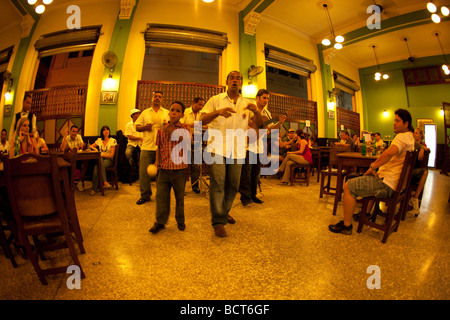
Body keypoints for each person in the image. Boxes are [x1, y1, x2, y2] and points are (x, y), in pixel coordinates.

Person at [329, 109, 415, 235]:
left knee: (348, 186)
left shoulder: (401, 137)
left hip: (387, 184)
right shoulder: (410, 137)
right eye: (394, 120)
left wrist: (373, 167)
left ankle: (346, 226)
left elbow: (388, 153)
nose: (394, 123)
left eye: (397, 121)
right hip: (392, 182)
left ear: (406, 124)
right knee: (358, 179)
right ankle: (363, 213)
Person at [200, 70, 262, 237]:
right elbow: (201, 120)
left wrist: (256, 111)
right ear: (227, 81)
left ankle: (224, 211)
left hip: (238, 149)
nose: (235, 80)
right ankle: (218, 222)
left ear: (241, 83)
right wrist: (217, 112)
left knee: (233, 185)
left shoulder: (246, 103)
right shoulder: (215, 100)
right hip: (217, 147)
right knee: (218, 183)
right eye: (232, 77)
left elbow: (260, 125)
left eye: (238, 78)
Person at [149, 101, 191, 234]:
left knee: (179, 198)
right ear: (169, 112)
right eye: (172, 110)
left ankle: (180, 220)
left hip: (179, 170)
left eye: (178, 111)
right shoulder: (161, 130)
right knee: (161, 197)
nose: (174, 112)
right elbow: (158, 147)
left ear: (182, 115)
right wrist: (157, 162)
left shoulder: (185, 129)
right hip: (164, 169)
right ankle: (160, 222)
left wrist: (168, 128)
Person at [239, 89, 286, 205]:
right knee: (246, 171)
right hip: (248, 144)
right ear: (258, 97)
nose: (266, 100)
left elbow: (270, 130)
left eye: (268, 98)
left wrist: (279, 123)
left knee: (256, 171)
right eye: (264, 98)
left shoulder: (267, 114)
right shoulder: (249, 108)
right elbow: (242, 122)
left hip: (260, 146)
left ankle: (253, 195)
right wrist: (250, 128)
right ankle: (245, 196)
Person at [135, 91, 170, 205]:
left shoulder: (166, 112)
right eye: (156, 96)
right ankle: (145, 195)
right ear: (152, 98)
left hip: (162, 147)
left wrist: (167, 127)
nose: (157, 98)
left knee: (162, 174)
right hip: (147, 146)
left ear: (162, 100)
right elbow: (137, 127)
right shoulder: (145, 112)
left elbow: (172, 128)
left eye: (160, 97)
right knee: (144, 172)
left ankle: (161, 195)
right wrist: (145, 127)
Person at [181, 97, 205, 194]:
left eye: (202, 105)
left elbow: (206, 125)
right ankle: (180, 187)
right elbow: (182, 124)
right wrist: (196, 124)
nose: (201, 107)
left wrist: (192, 125)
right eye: (199, 104)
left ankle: (195, 186)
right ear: (193, 103)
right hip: (186, 140)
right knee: (183, 165)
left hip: (198, 140)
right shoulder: (185, 112)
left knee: (196, 166)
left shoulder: (202, 113)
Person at [88, 125, 116, 195]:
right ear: (102, 132)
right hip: (100, 160)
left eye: (107, 129)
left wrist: (102, 155)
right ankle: (104, 182)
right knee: (96, 167)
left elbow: (112, 155)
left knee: (97, 164)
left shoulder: (113, 140)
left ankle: (94, 188)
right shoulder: (99, 140)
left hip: (109, 160)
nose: (106, 131)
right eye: (104, 130)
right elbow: (90, 146)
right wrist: (94, 149)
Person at [409, 127, 429, 216]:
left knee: (425, 172)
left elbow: (427, 148)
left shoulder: (421, 144)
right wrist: (422, 147)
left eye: (416, 133)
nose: (414, 134)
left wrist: (423, 148)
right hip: (408, 167)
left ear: (421, 135)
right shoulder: (412, 143)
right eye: (414, 133)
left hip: (415, 168)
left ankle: (415, 197)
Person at [60, 125, 87, 191]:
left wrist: (81, 146)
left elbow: (81, 145)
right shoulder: (67, 137)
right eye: (73, 131)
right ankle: (70, 184)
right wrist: (65, 135)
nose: (75, 133)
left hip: (78, 158)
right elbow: (62, 149)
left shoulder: (79, 136)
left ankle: (80, 182)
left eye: (76, 132)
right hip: (69, 159)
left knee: (85, 162)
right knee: (71, 164)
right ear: (70, 132)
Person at [125, 108, 143, 179]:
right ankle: (134, 169)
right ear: (132, 115)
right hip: (132, 143)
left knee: (146, 155)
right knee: (128, 153)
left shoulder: (142, 124)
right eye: (137, 113)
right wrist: (138, 138)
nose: (139, 115)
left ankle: (142, 171)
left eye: (139, 113)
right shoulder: (128, 125)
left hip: (141, 144)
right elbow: (129, 137)